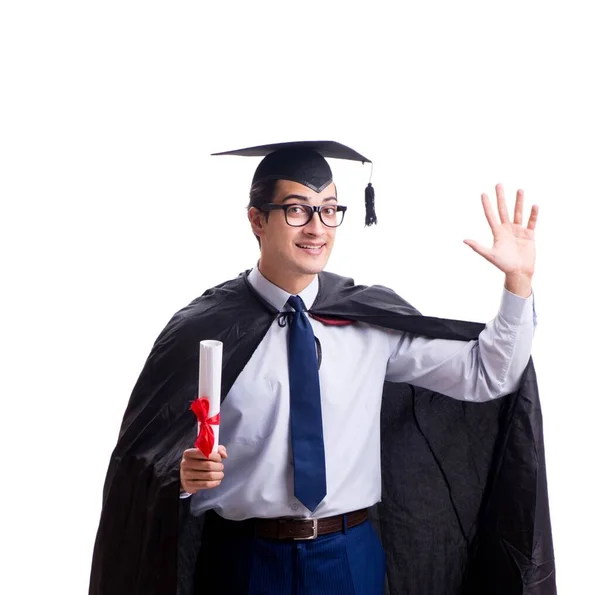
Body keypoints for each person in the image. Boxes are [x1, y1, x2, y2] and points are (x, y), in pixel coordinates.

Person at [89, 142, 555, 595]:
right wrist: (182, 481)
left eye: (329, 209)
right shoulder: (204, 329)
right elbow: (144, 463)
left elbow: (488, 373)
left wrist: (518, 282)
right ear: (257, 219)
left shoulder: (366, 320)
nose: (317, 227)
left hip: (348, 558)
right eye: (297, 209)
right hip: (243, 561)